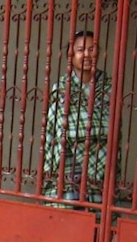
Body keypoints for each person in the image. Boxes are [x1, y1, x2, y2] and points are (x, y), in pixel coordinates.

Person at [42, 30, 118, 212]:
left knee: (97, 223)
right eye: (80, 50)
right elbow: (54, 129)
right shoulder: (61, 88)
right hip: (68, 164)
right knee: (67, 222)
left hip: (101, 164)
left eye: (91, 49)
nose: (86, 55)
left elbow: (114, 127)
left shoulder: (108, 85)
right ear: (71, 54)